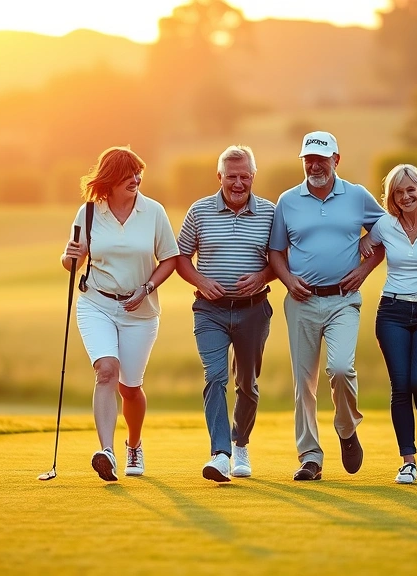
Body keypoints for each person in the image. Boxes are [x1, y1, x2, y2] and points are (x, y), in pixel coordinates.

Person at [269, 130, 385, 481]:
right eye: (309, 159)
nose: (314, 165)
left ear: (336, 160)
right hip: (302, 301)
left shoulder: (357, 196)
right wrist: (289, 281)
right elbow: (275, 251)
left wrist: (365, 267)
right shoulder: (287, 201)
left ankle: (347, 430)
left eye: (321, 158)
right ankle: (310, 457)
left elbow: (385, 231)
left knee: (340, 369)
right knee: (303, 383)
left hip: (344, 300)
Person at [61, 146, 179, 482]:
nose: (136, 179)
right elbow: (71, 264)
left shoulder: (153, 212)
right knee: (107, 371)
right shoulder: (87, 213)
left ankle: (134, 444)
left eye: (138, 172)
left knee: (130, 388)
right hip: (96, 303)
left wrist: (146, 289)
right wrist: (71, 256)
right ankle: (107, 452)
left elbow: (169, 258)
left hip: (140, 311)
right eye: (128, 174)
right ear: (110, 179)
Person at [175, 145, 277, 483]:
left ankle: (241, 442)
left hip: (253, 311)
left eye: (244, 176)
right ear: (219, 177)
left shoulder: (270, 213)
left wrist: (263, 276)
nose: (238, 183)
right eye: (231, 176)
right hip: (210, 312)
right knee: (215, 376)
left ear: (253, 177)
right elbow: (181, 258)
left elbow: (281, 260)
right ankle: (220, 454)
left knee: (247, 383)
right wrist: (202, 282)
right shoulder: (200, 211)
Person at [359, 164, 417, 484]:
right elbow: (365, 244)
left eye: (412, 189)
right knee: (400, 387)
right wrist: (363, 244)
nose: (406, 196)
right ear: (392, 198)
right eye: (399, 192)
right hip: (392, 312)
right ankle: (408, 461)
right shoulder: (384, 225)